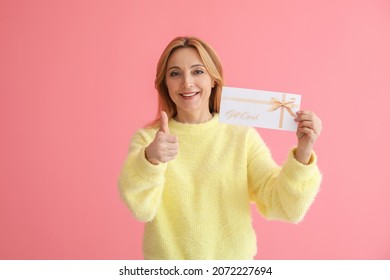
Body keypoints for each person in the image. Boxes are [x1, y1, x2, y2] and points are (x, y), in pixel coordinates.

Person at [118, 36, 322, 260]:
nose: (187, 82)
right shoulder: (149, 140)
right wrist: (150, 160)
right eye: (175, 73)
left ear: (213, 79)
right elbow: (141, 209)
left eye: (198, 71)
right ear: (165, 83)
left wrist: (303, 152)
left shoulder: (241, 136)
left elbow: (284, 206)